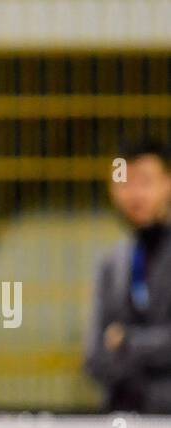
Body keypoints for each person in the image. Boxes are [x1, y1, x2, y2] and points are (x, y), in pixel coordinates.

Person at [85, 139, 171, 412]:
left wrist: (127, 342)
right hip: (125, 415)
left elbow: (111, 346)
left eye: (145, 182)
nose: (134, 194)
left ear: (168, 183)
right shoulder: (111, 264)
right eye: (124, 183)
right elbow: (94, 357)